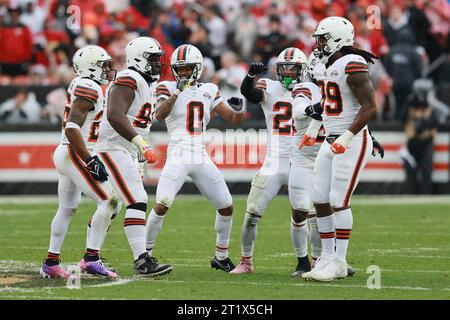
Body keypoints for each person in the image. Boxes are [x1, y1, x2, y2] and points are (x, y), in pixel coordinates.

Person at [147, 44, 245, 272]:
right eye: (179, 69)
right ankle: (144, 255)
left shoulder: (210, 89)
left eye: (187, 68)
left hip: (200, 153)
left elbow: (232, 119)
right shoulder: (167, 86)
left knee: (226, 206)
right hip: (179, 151)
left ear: (197, 68)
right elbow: (159, 115)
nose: (182, 73)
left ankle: (221, 256)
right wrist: (178, 92)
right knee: (162, 204)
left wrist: (239, 110)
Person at [301, 17, 378, 282]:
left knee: (338, 201)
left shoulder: (352, 64)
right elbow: (330, 103)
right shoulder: (328, 65)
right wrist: (313, 129)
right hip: (330, 139)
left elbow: (370, 107)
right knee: (319, 199)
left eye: (322, 38)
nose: (318, 44)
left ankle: (339, 261)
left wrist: (347, 136)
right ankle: (327, 258)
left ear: (336, 38)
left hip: (351, 140)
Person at [230, 48, 315, 276]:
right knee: (251, 214)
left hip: (302, 160)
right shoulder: (270, 87)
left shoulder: (311, 90)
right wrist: (250, 76)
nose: (287, 73)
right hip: (275, 160)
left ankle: (309, 262)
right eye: (283, 68)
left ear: (302, 70)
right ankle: (246, 261)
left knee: (307, 215)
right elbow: (249, 94)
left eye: (292, 68)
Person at [95, 37, 172, 277]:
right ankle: (142, 260)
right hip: (114, 147)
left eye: (159, 59)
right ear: (138, 58)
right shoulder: (130, 77)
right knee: (137, 200)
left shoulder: (145, 82)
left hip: (125, 149)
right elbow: (115, 115)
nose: (158, 64)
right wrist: (140, 142)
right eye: (153, 59)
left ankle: (90, 257)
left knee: (111, 205)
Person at [40, 45, 119, 279]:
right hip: (75, 150)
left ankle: (51, 263)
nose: (107, 69)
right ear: (91, 67)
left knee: (67, 208)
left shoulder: (84, 83)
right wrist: (90, 159)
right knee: (110, 201)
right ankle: (91, 259)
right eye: (103, 64)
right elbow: (73, 127)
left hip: (68, 150)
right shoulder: (89, 86)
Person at [402, 94, 438, 194]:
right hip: (411, 148)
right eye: (417, 109)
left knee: (427, 171)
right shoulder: (408, 115)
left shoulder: (430, 116)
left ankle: (426, 194)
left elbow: (434, 132)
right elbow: (409, 133)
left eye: (422, 109)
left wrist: (425, 119)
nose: (419, 111)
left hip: (426, 147)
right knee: (410, 172)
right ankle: (411, 194)